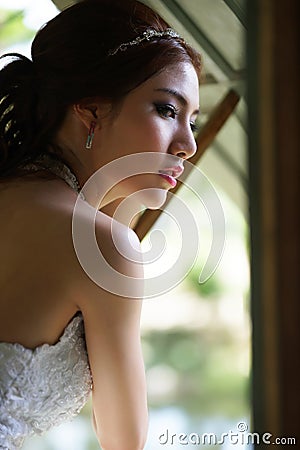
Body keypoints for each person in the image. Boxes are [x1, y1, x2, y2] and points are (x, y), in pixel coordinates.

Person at [0, 0, 201, 448]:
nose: (187, 144)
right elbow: (125, 442)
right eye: (168, 110)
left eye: (193, 121)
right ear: (90, 110)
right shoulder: (104, 245)